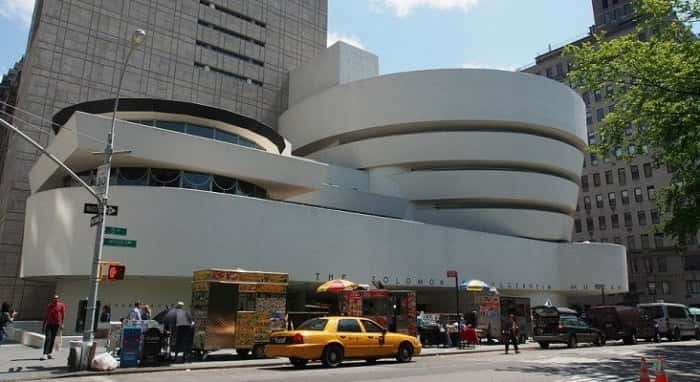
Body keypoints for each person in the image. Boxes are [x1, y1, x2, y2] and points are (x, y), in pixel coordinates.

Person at [41, 295, 65, 360]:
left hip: (56, 325)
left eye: (57, 298)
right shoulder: (49, 306)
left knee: (52, 339)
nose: (55, 299)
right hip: (49, 324)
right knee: (48, 338)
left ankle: (49, 353)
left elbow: (63, 315)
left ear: (58, 299)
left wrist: (62, 324)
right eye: (54, 298)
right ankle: (45, 354)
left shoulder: (61, 305)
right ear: (52, 299)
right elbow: (46, 316)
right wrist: (43, 326)